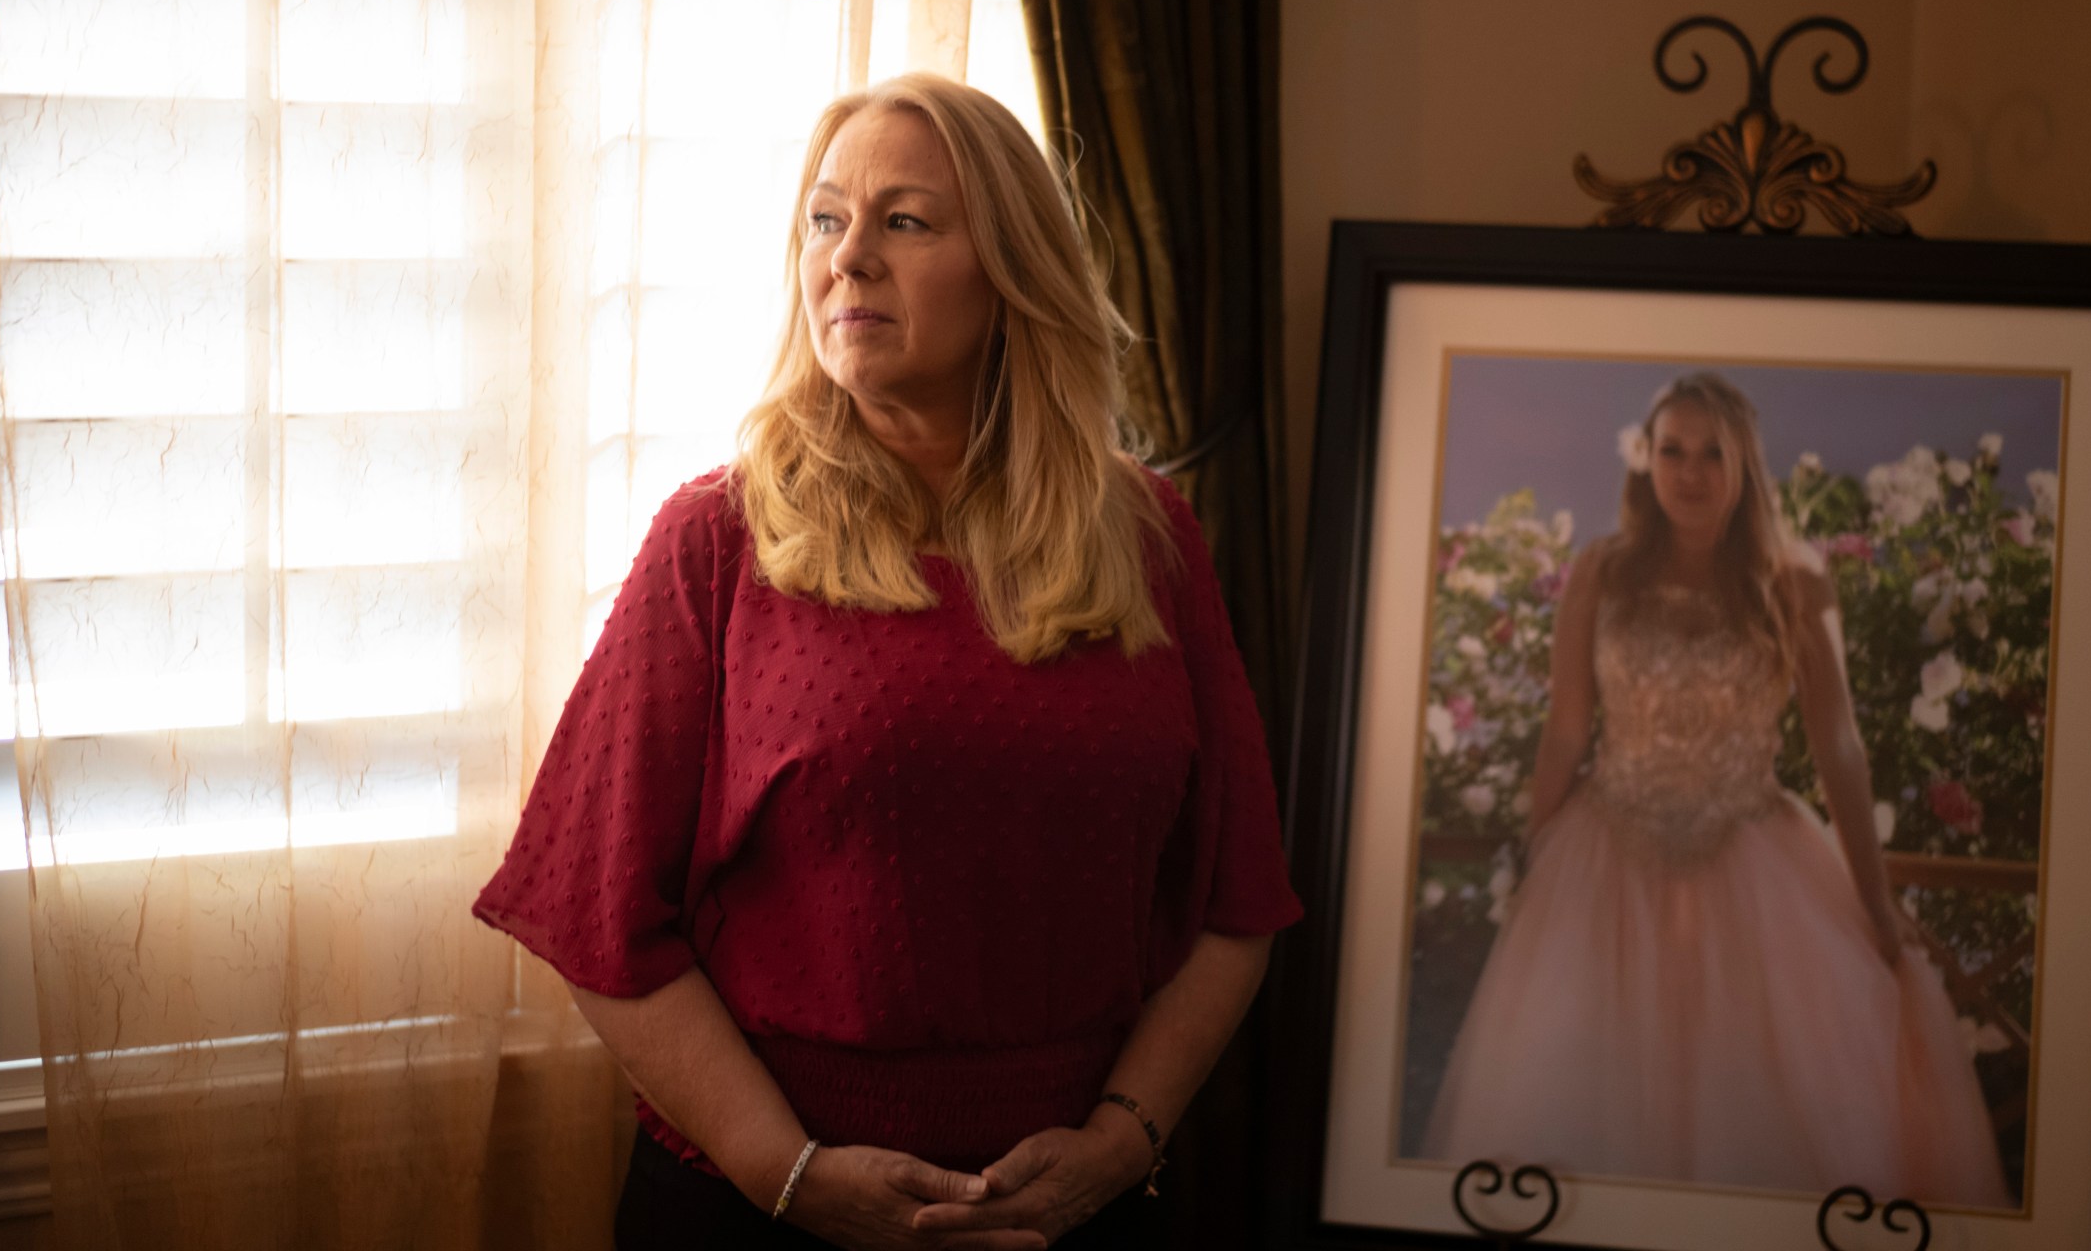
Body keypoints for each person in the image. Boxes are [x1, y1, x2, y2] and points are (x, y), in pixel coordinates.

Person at [472, 72, 1301, 1249]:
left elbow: (1236, 900)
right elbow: (598, 918)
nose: (847, 258)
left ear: (1013, 273)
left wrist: (1124, 1141)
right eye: (825, 219)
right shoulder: (716, 540)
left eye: (903, 221)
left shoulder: (1149, 538)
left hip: (1077, 1214)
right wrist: (787, 1173)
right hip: (762, 1210)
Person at [1419, 372, 2010, 1207]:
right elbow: (1565, 728)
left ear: (1744, 466)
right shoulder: (1602, 571)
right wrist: (1532, 854)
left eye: (1711, 453)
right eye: (1672, 450)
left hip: (1754, 860)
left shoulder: (1793, 581)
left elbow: (1838, 744)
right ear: (1646, 461)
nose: (1689, 472)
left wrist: (1876, 901)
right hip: (1606, 859)